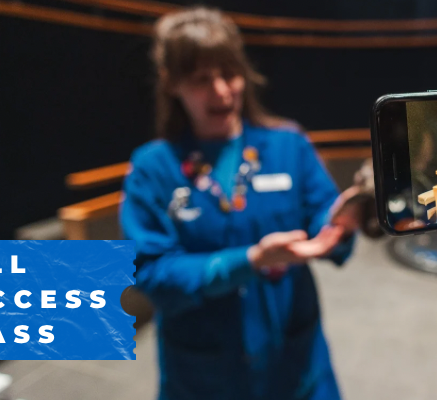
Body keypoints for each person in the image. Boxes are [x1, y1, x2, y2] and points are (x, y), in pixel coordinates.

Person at [119, 7, 360, 400]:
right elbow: (153, 274)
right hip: (203, 376)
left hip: (295, 366)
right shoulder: (152, 168)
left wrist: (343, 221)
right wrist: (248, 261)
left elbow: (324, 217)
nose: (222, 91)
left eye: (230, 73)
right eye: (201, 79)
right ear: (171, 83)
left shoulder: (288, 144)